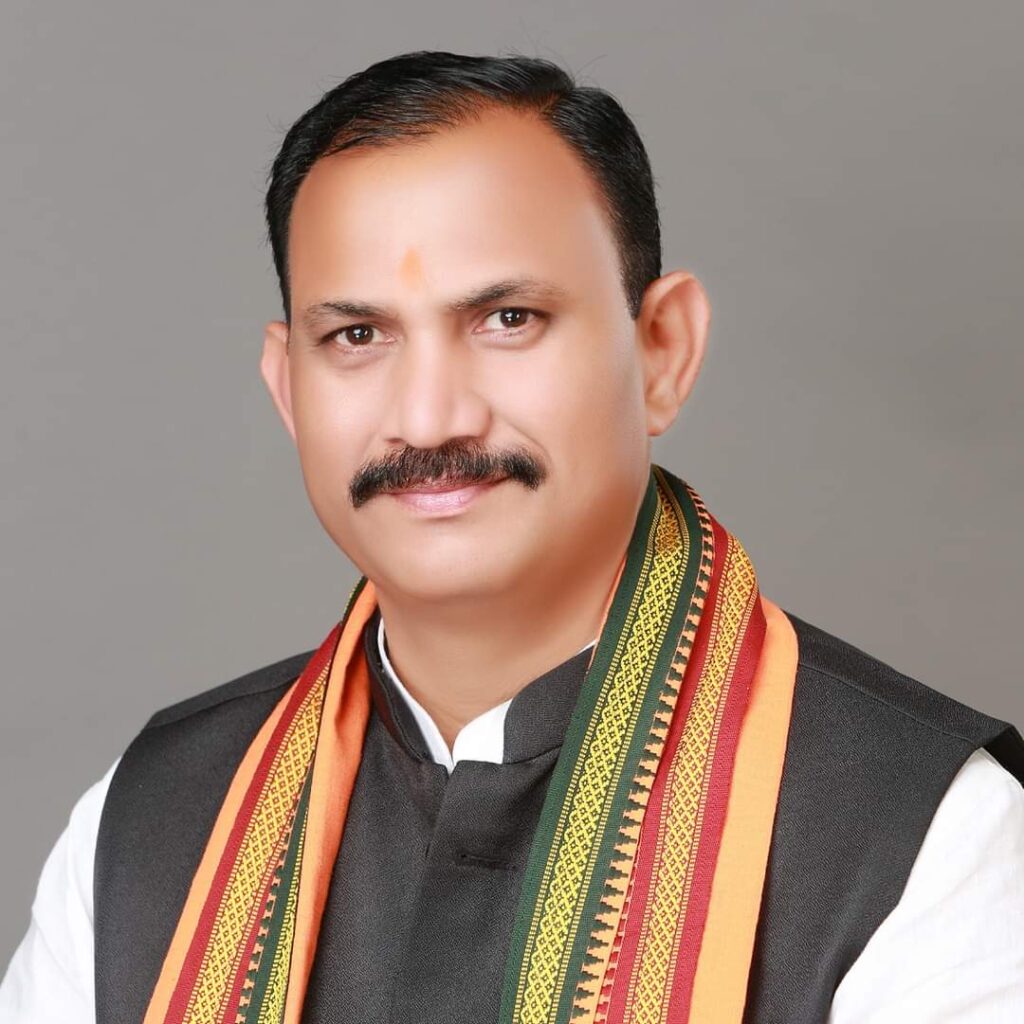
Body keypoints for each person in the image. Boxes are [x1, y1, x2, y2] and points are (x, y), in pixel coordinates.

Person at [2, 49, 1023, 1024]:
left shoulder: (925, 832)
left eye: (508, 320)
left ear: (661, 350)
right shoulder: (149, 820)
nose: (430, 417)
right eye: (357, 336)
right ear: (287, 388)